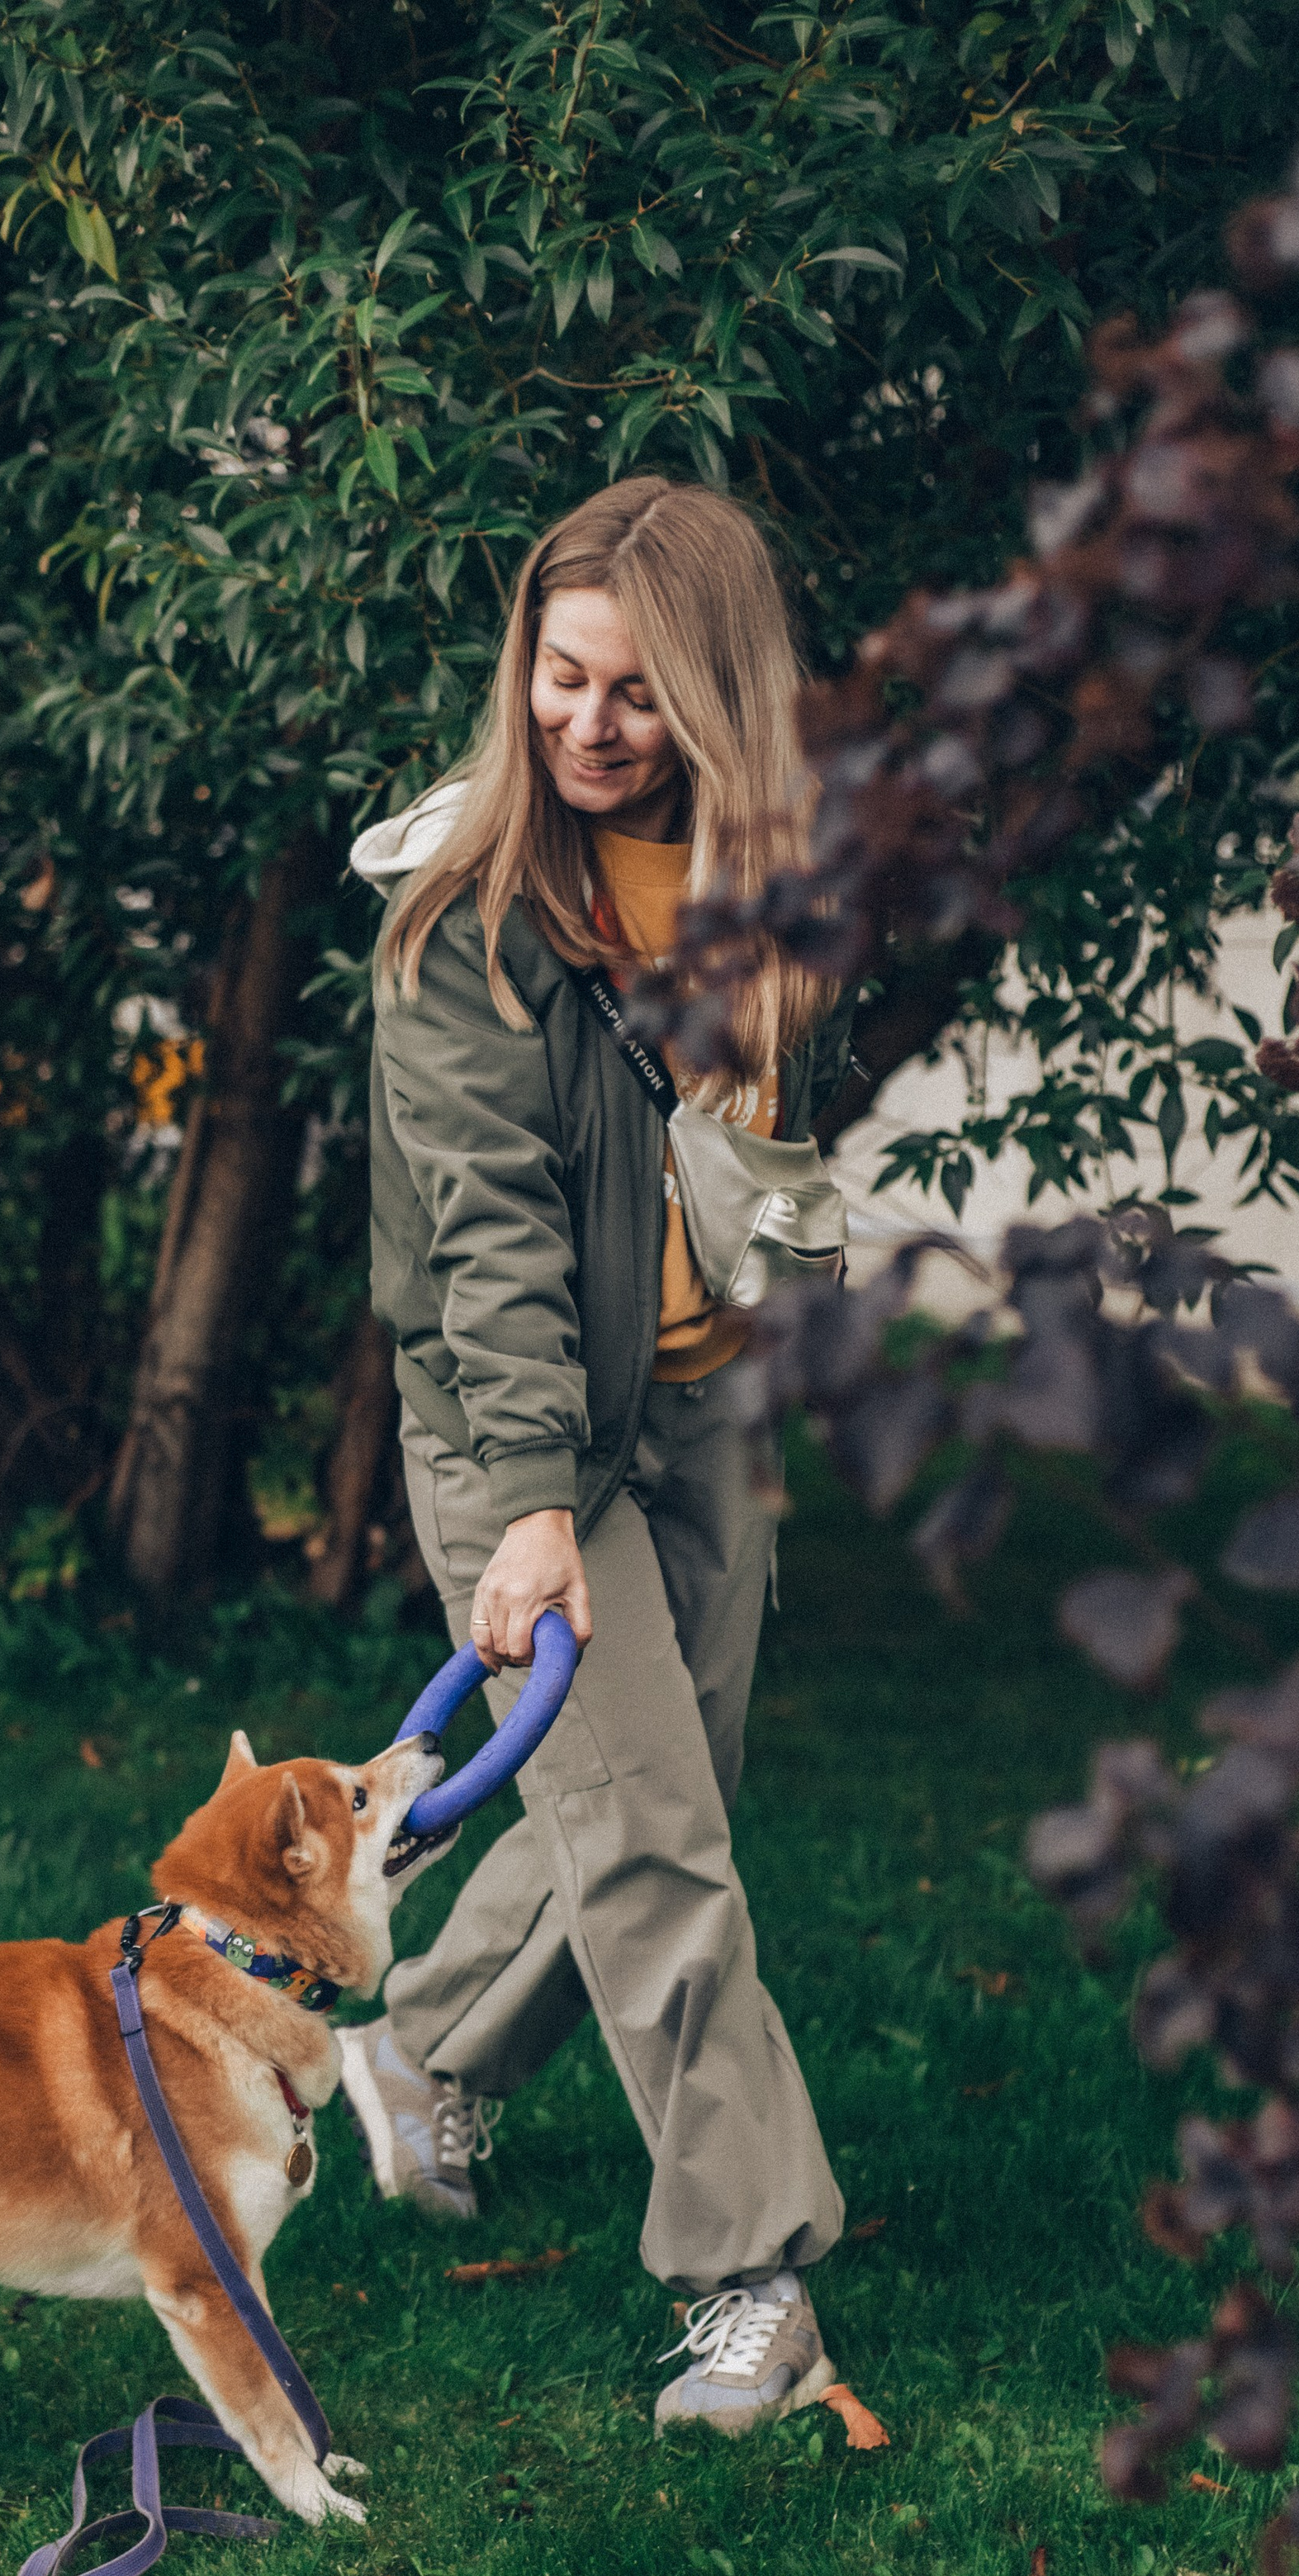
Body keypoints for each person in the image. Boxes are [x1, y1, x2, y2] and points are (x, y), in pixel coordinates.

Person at [336, 475, 854, 2441]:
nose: (585, 724)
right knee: (643, 1847)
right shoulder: (462, 921)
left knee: (661, 1801)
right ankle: (753, 2276)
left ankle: (416, 2061)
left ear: (713, 702)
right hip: (516, 1430)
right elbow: (486, 1242)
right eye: (559, 677)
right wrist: (535, 1512)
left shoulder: (763, 884)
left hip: (707, 1400)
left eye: (635, 692)